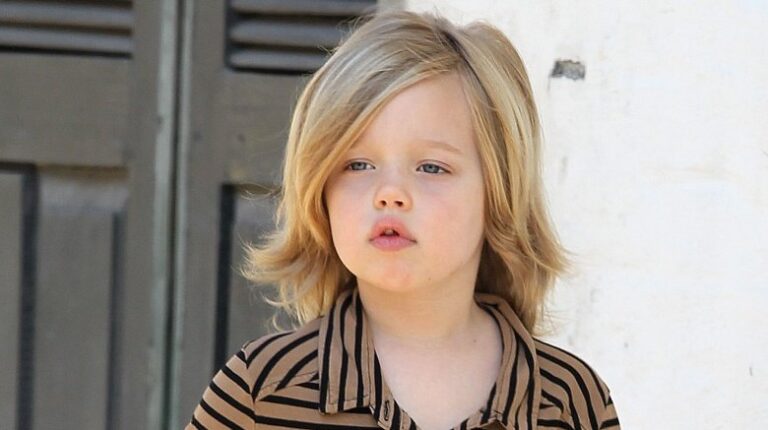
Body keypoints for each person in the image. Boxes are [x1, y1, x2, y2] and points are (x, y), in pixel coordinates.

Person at [186, 8, 620, 430]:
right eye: (358, 164)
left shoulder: (570, 402)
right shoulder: (259, 392)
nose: (390, 193)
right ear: (320, 190)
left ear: (498, 192)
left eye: (431, 167)